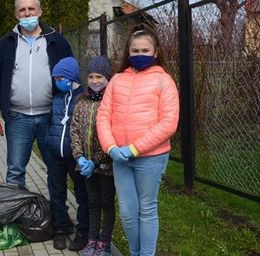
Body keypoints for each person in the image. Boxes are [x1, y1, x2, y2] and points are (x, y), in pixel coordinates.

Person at [96, 23, 179, 256]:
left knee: (147, 210)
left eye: (145, 51)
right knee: (127, 212)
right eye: (135, 51)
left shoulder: (165, 81)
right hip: (120, 157)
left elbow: (168, 123)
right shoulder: (117, 80)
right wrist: (111, 147)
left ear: (155, 52)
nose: (140, 55)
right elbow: (103, 115)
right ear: (128, 53)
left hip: (150, 158)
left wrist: (134, 148)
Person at [0, 0, 73, 187]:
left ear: (39, 11)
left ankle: (59, 216)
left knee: (56, 170)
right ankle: (17, 216)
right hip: (17, 118)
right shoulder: (4, 45)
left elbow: (72, 78)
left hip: (51, 117)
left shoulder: (57, 42)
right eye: (22, 10)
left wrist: (70, 110)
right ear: (16, 15)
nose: (27, 13)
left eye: (31, 9)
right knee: (15, 171)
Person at [70, 55, 115, 256]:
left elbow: (110, 134)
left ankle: (104, 243)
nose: (95, 80)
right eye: (91, 76)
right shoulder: (82, 102)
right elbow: (75, 130)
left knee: (106, 203)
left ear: (108, 78)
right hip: (85, 166)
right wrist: (79, 157)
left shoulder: (112, 103)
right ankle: (92, 240)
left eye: (99, 76)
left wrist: (96, 159)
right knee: (93, 203)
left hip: (106, 166)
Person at [47, 57, 89, 251]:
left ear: (71, 77)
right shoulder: (56, 99)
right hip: (56, 154)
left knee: (81, 194)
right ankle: (60, 229)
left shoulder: (83, 99)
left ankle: (83, 232)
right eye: (55, 79)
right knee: (57, 192)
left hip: (75, 155)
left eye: (60, 78)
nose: (57, 82)